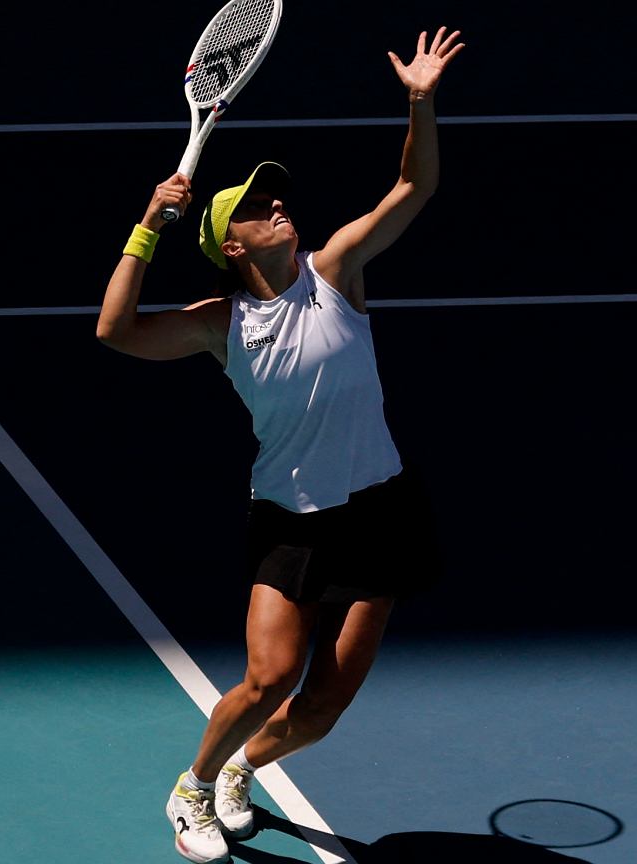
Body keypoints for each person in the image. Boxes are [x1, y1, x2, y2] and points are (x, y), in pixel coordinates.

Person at [96, 26, 464, 864]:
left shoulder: (337, 270)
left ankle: (242, 770)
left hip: (381, 508)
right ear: (231, 245)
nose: (277, 207)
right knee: (270, 679)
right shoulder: (221, 324)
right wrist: (147, 226)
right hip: (291, 519)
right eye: (258, 208)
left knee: (324, 705)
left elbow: (415, 184)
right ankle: (194, 785)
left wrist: (420, 101)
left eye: (277, 199)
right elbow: (115, 331)